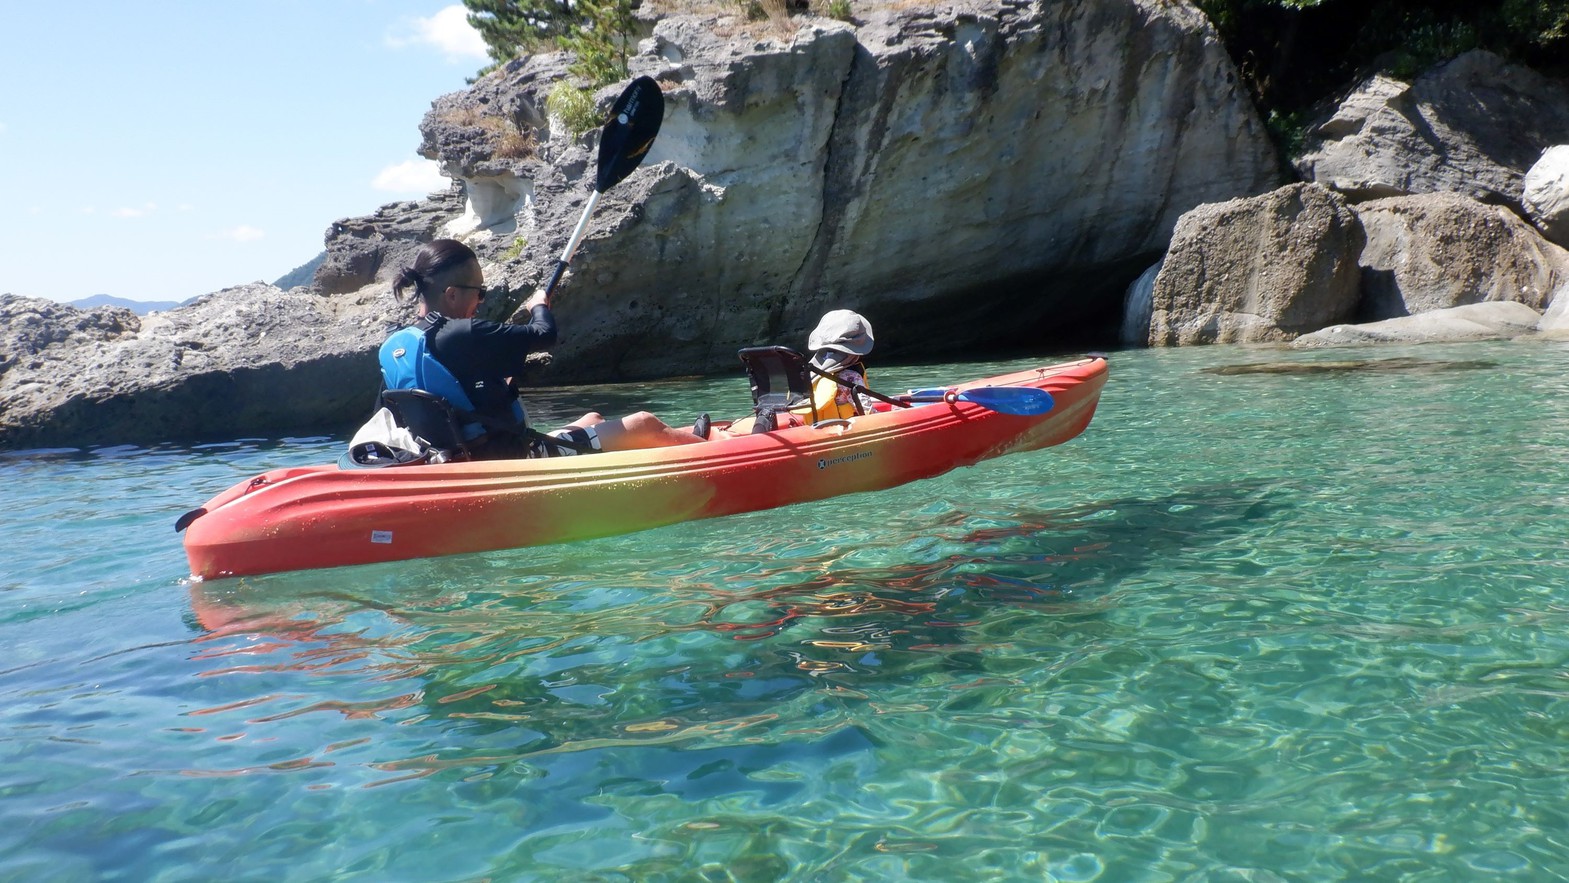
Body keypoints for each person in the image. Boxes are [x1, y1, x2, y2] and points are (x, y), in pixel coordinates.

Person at [378, 239, 704, 460]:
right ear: (451, 294)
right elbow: (544, 334)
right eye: (479, 292)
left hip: (457, 459)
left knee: (593, 417)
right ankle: (717, 450)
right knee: (644, 423)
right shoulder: (464, 332)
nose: (481, 301)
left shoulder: (397, 346)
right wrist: (538, 306)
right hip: (512, 461)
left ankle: (684, 438)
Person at [800, 309, 877, 420]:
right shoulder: (851, 377)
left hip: (817, 425)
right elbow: (867, 412)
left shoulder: (811, 374)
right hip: (844, 428)